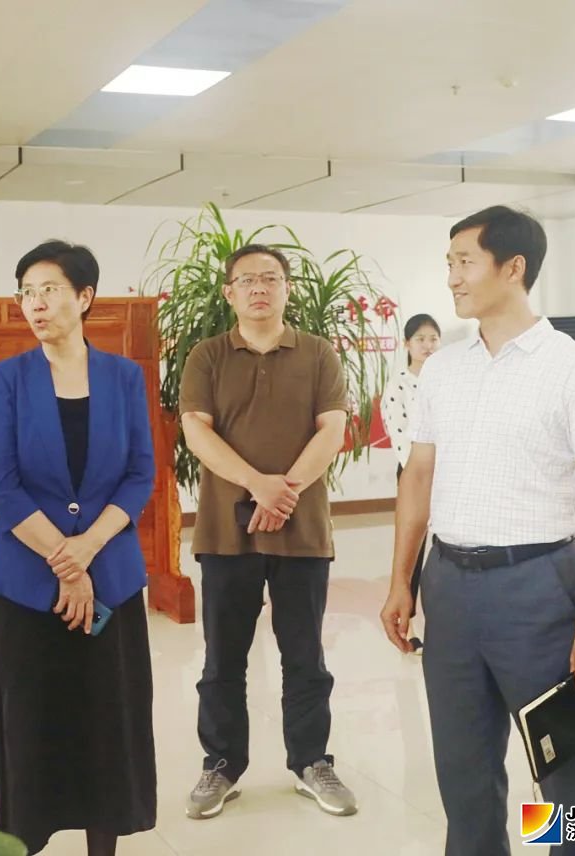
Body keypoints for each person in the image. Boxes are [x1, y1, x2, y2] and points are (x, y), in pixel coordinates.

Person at [380, 206, 575, 856]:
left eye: (465, 262)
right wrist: (401, 581)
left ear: (513, 268)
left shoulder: (574, 370)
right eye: (449, 264)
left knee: (567, 785)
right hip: (450, 590)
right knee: (464, 780)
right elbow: (418, 479)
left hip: (538, 589)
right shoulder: (443, 369)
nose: (453, 278)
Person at [0, 240, 157, 856]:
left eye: (49, 290)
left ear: (84, 298)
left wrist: (87, 551)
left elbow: (140, 474)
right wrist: (66, 562)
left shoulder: (124, 377)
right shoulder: (7, 379)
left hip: (111, 578)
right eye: (26, 292)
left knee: (108, 723)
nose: (35, 304)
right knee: (33, 724)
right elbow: (0, 484)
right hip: (28, 586)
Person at [179, 243, 358, 820]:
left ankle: (311, 762)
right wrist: (258, 484)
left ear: (287, 289)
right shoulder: (207, 355)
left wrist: (286, 493)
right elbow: (197, 432)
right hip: (224, 533)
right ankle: (221, 765)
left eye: (271, 278)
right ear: (228, 292)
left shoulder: (318, 353)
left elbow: (332, 430)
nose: (259, 288)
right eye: (247, 280)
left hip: (301, 532)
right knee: (222, 659)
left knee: (304, 655)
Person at [380, 313, 442, 651]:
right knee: (413, 549)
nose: (428, 345)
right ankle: (409, 624)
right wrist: (421, 474)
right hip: (415, 472)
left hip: (449, 473)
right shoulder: (399, 384)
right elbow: (400, 435)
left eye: (433, 339)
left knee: (445, 545)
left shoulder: (446, 378)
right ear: (407, 344)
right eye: (420, 339)